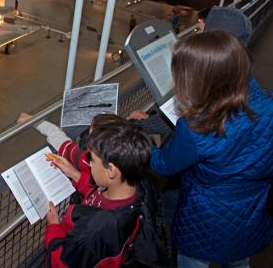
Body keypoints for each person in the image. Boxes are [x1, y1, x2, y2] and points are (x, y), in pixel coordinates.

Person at [150, 31, 273, 267]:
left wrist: (139, 143)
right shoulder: (268, 105)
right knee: (239, 260)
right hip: (253, 208)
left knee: (192, 261)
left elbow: (162, 164)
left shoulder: (197, 127)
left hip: (207, 218)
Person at [38, 114, 172, 268]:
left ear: (111, 171)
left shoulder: (96, 230)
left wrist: (54, 226)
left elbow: (62, 262)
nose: (89, 163)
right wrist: (74, 174)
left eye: (93, 160)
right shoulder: (137, 188)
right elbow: (98, 197)